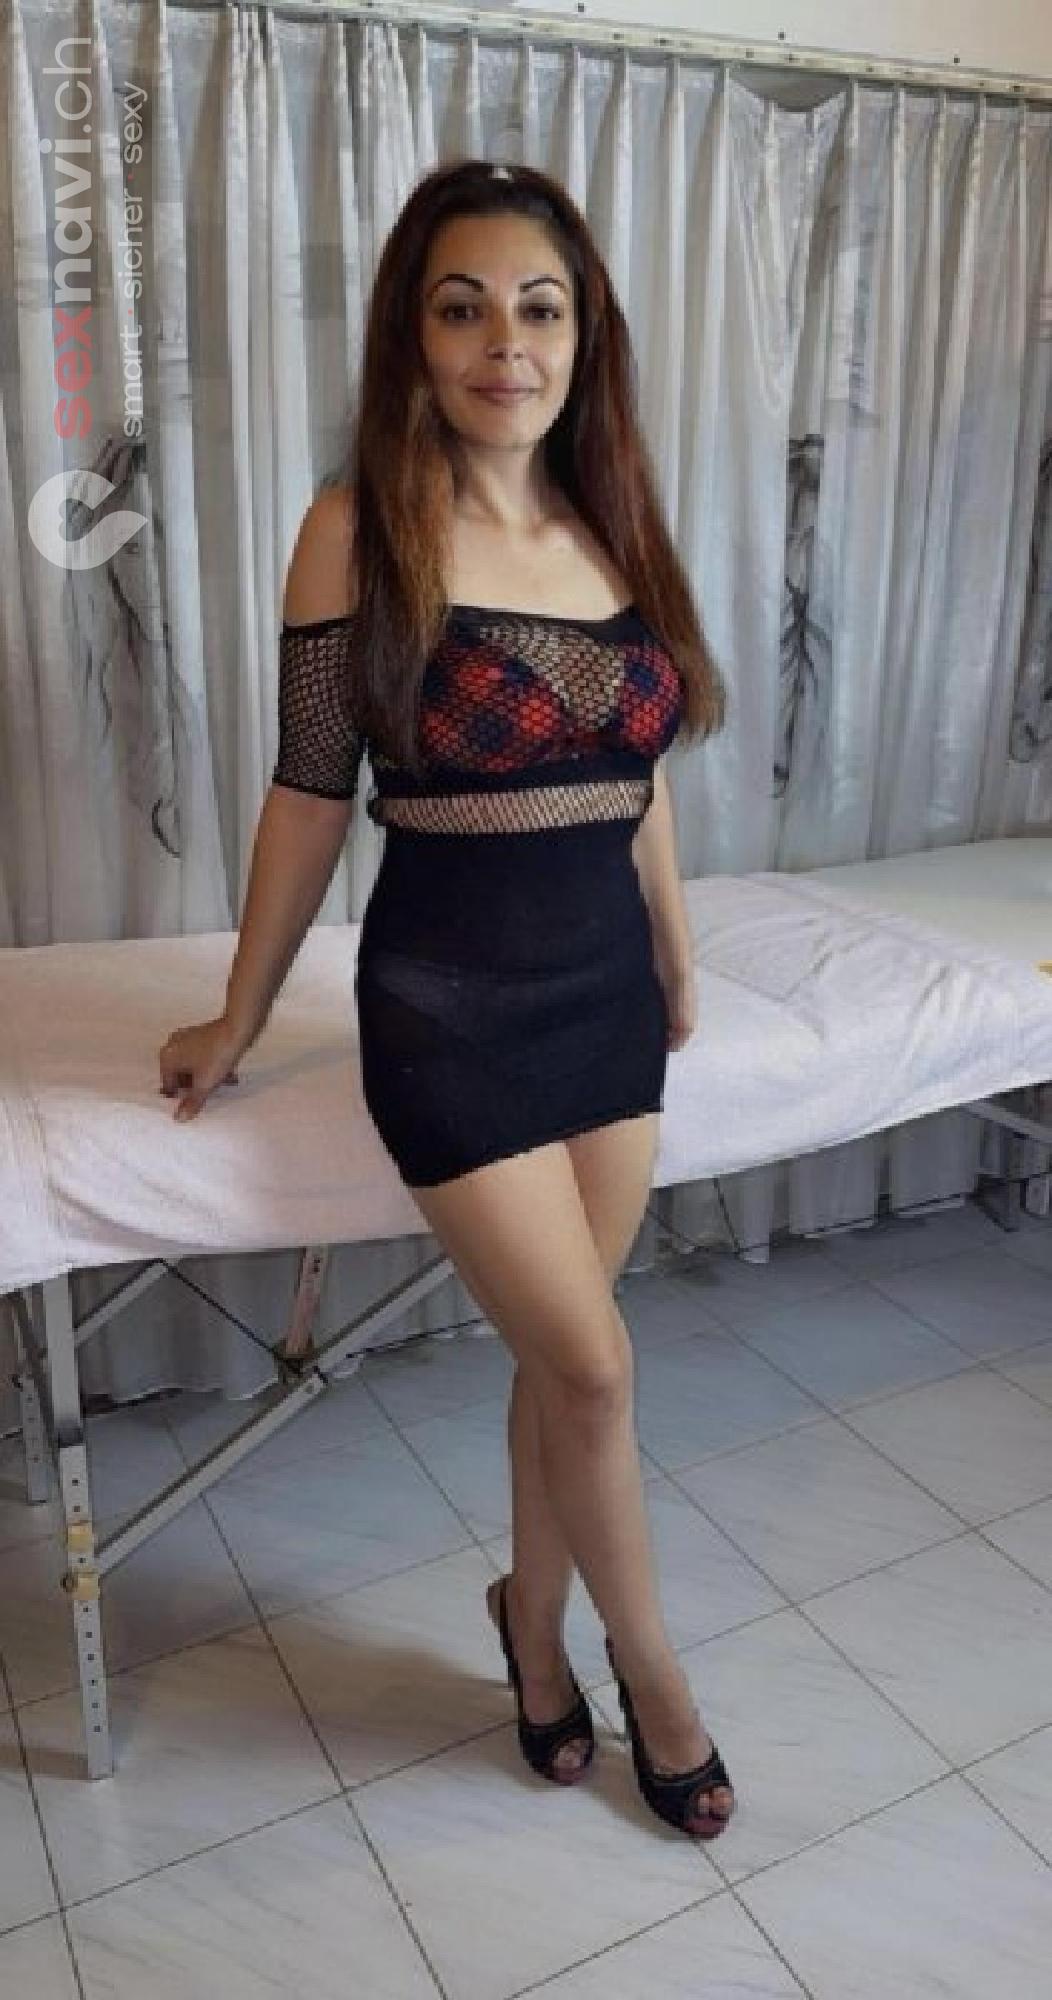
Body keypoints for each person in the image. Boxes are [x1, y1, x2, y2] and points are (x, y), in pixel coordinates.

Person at [158, 158, 734, 1839]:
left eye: (540, 310)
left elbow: (639, 771)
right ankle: (655, 1676)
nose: (507, 345)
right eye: (464, 308)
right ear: (414, 335)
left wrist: (676, 952)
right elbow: (307, 795)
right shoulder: (358, 526)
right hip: (449, 1007)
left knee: (564, 1364)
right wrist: (240, 1016)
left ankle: (531, 1633)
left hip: (604, 999)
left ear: (583, 335)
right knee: (599, 1371)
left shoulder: (613, 519)